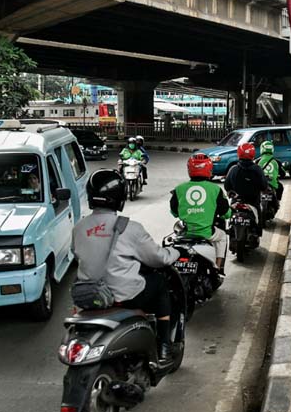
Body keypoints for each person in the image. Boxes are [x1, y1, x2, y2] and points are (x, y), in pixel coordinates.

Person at [72, 169, 180, 362]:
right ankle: (164, 345)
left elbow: (77, 253)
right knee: (160, 283)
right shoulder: (130, 228)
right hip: (125, 296)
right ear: (120, 198)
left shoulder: (79, 228)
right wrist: (175, 253)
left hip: (89, 296)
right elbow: (158, 259)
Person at [169, 154, 230, 273]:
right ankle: (218, 268)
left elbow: (174, 212)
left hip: (184, 233)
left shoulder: (179, 189)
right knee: (222, 236)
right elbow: (225, 213)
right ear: (209, 169)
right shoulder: (216, 189)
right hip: (206, 233)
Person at [224, 142, 269, 230]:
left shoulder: (233, 169)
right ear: (253, 154)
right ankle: (257, 231)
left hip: (236, 201)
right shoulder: (257, 170)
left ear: (239, 153)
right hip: (253, 202)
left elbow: (226, 186)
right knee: (258, 223)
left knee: (230, 222)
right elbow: (264, 186)